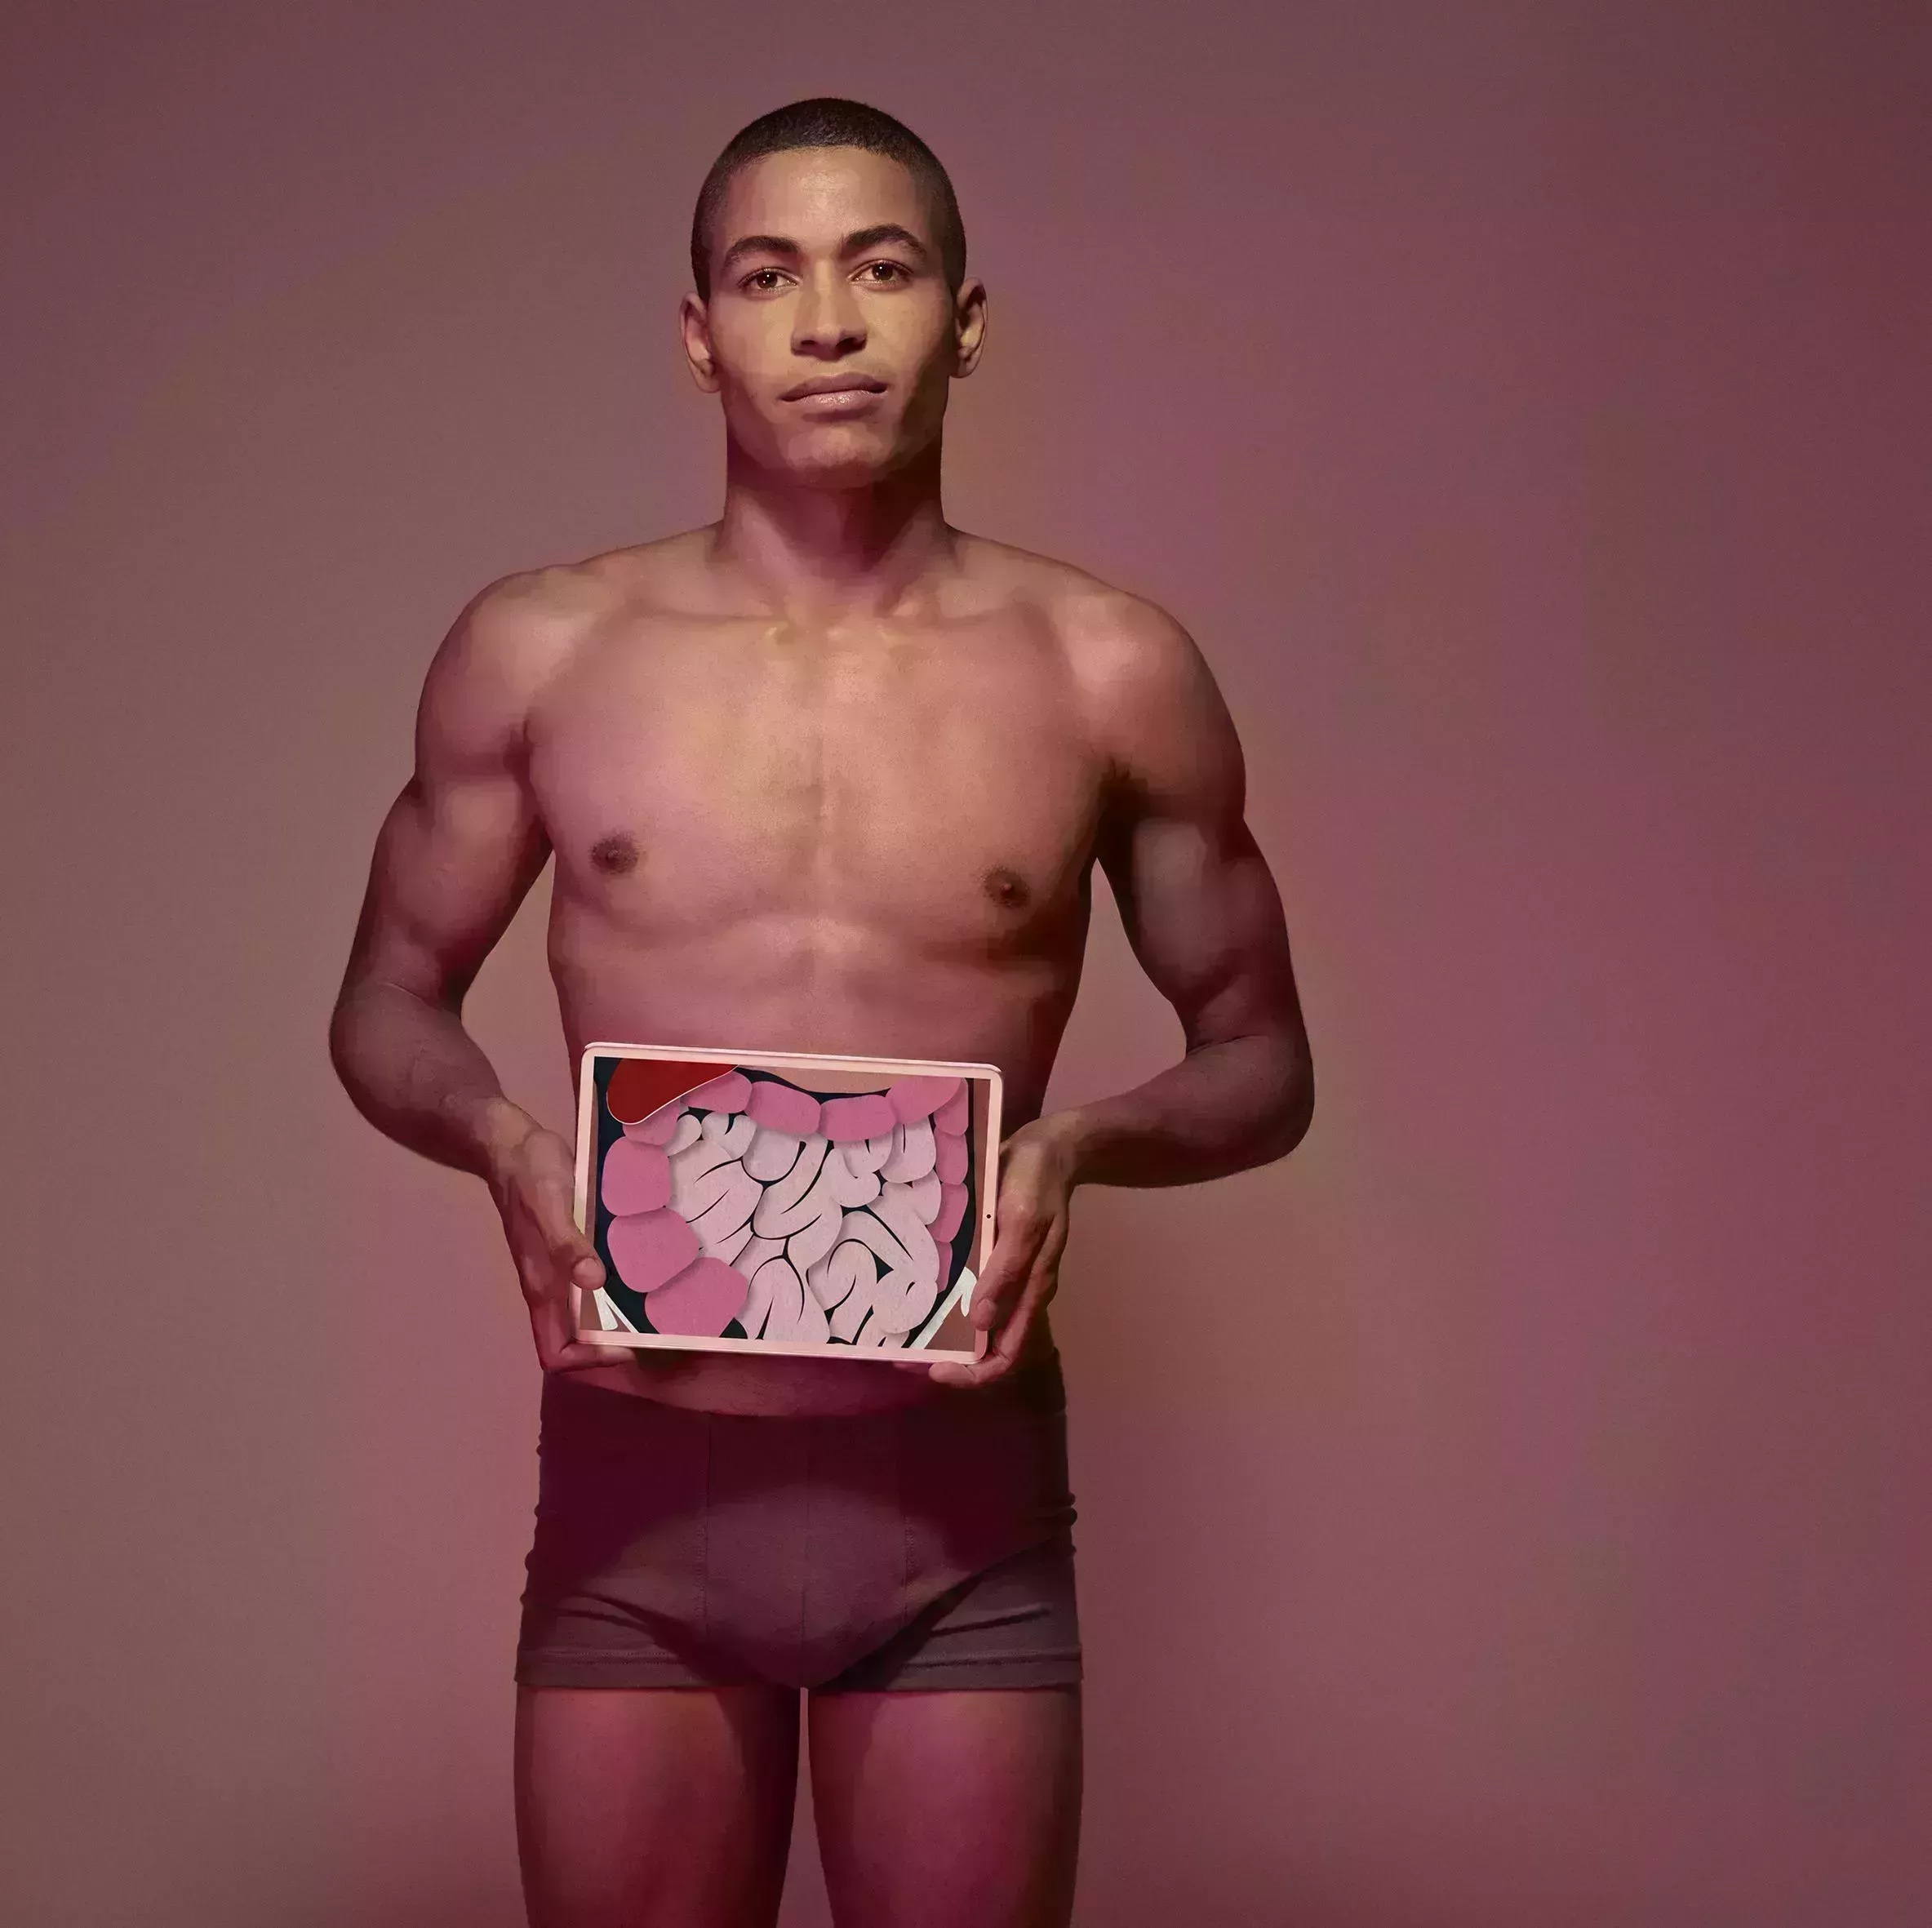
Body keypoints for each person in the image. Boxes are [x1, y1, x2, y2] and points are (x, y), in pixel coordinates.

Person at [328, 96, 1313, 1928]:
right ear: (700, 330)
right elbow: (386, 1003)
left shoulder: (1106, 667)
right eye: (770, 274)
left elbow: (1265, 1058)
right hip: (638, 1490)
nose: (831, 321)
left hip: (959, 1515)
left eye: (885, 265)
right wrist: (501, 1142)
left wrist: (1081, 1141)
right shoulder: (543, 652)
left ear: (965, 317)